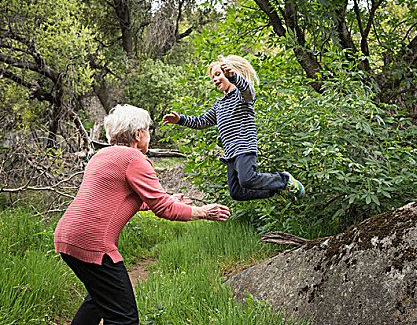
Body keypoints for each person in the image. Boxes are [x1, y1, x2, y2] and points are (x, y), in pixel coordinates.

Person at [54, 104, 230, 325]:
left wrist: (171, 199)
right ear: (138, 135)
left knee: (99, 298)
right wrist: (202, 212)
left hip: (66, 237)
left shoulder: (101, 156)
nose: (149, 135)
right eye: (148, 130)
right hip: (93, 243)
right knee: (124, 318)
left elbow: (121, 201)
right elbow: (163, 208)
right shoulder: (134, 159)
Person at [162, 54, 305, 202]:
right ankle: (276, 189)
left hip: (244, 146)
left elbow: (248, 91)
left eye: (218, 74)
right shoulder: (220, 104)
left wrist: (234, 77)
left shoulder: (241, 95)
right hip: (231, 154)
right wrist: (180, 120)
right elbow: (202, 121)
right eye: (213, 78)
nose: (216, 79)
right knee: (237, 193)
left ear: (231, 72)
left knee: (247, 179)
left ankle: (284, 179)